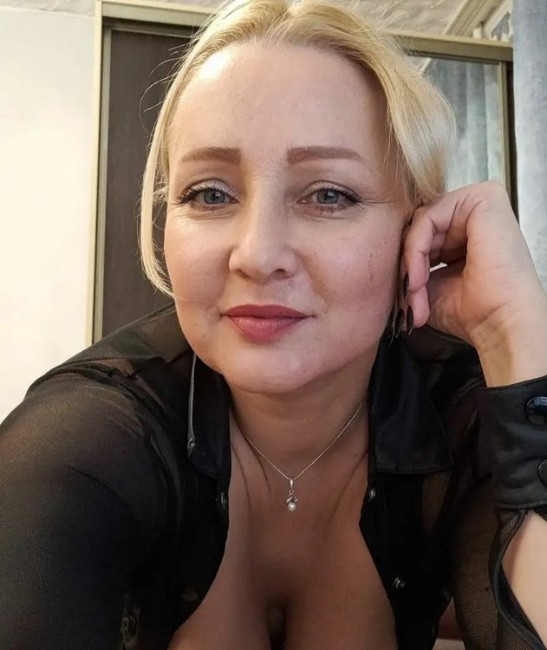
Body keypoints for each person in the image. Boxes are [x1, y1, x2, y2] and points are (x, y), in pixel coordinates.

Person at [1, 0, 547, 648]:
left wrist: (517, 332)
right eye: (210, 193)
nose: (258, 255)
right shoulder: (87, 441)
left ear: (417, 231)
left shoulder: (459, 414)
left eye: (328, 195)